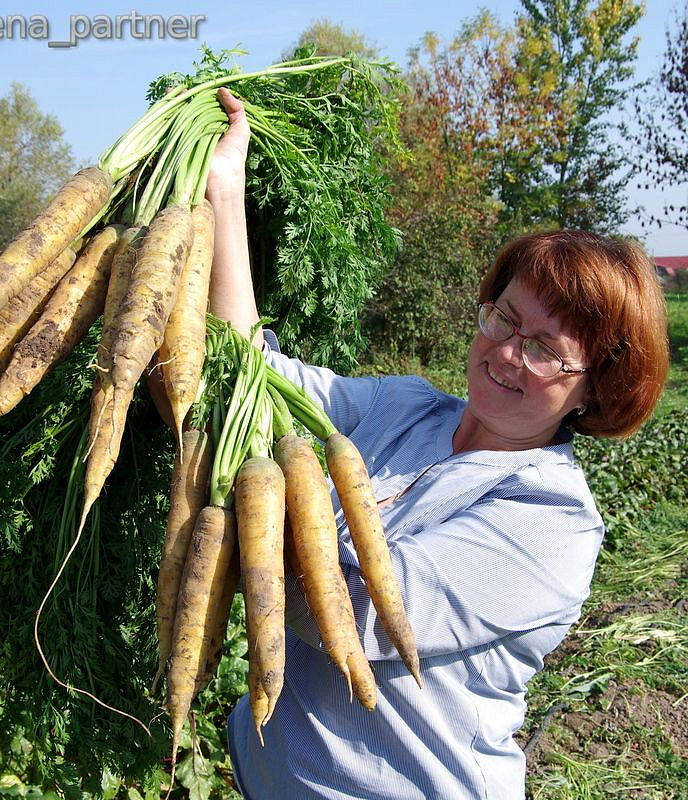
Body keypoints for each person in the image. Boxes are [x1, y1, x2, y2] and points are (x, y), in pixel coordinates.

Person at [204, 88, 669, 800]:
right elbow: (248, 371)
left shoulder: (553, 522)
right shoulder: (405, 405)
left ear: (595, 390)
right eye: (504, 319)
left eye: (545, 349)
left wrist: (229, 509)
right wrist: (223, 193)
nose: (506, 353)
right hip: (266, 777)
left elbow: (348, 617)